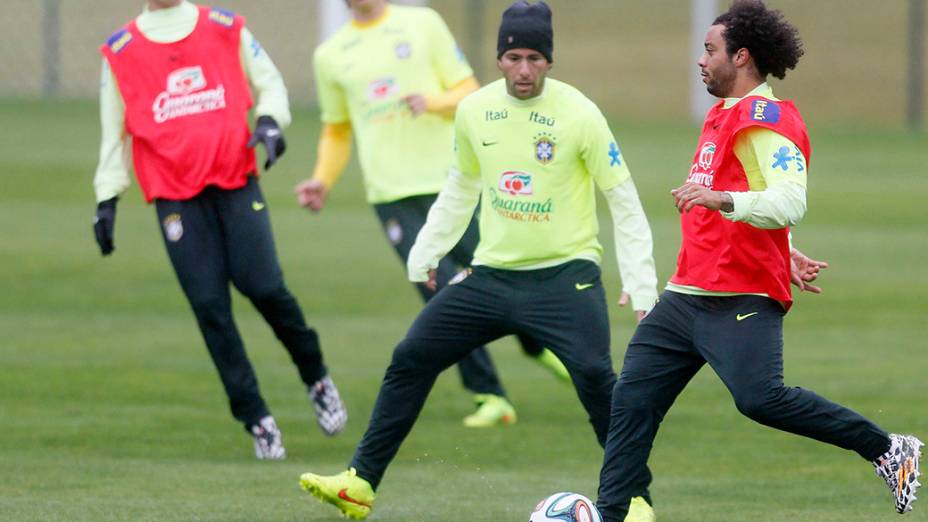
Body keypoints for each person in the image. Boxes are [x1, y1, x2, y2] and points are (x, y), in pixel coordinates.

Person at [297, 1, 659, 518]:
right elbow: (459, 188)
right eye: (514, 56)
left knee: (597, 377)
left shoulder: (579, 113)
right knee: (410, 357)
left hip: (566, 279)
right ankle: (360, 483)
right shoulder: (474, 111)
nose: (525, 68)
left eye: (535, 57)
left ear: (550, 61)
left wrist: (641, 282)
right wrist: (426, 252)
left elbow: (623, 200)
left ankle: (635, 500)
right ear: (499, 59)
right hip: (492, 279)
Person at [594, 2, 922, 520]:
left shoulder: (766, 118)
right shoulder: (721, 113)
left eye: (710, 50)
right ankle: (608, 513)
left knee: (760, 399)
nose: (700, 60)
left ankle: (886, 449)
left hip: (738, 298)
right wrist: (783, 249)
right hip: (685, 295)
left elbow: (789, 201)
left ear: (741, 56)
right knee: (631, 401)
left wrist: (721, 200)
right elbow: (750, 200)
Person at [295, 0, 573, 428]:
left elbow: (468, 88)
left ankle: (544, 349)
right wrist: (321, 179)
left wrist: (434, 101)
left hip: (452, 182)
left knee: (501, 272)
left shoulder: (422, 24)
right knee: (441, 291)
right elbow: (337, 128)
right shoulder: (330, 55)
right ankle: (490, 395)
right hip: (390, 194)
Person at [92, 0, 347, 460]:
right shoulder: (121, 49)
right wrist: (107, 198)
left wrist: (270, 122)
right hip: (174, 197)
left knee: (264, 287)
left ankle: (316, 376)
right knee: (210, 306)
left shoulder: (225, 27)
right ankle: (257, 418)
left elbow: (270, 84)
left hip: (234, 180)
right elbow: (113, 134)